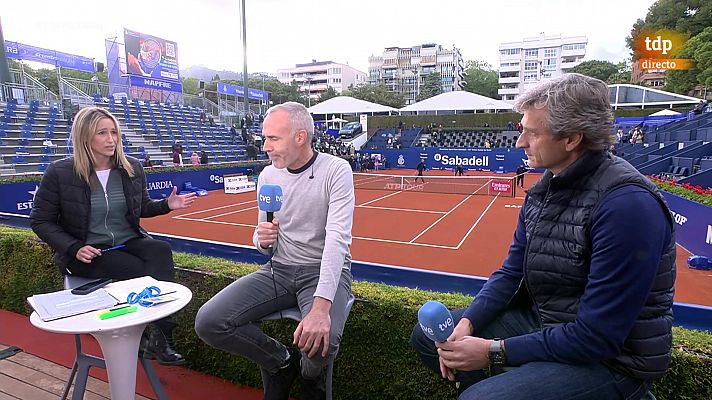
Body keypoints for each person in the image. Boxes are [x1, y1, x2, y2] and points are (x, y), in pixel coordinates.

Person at [410, 73, 676, 400]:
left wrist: (494, 351)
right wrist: (468, 323)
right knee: (430, 339)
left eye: (532, 133)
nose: (520, 142)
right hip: (547, 323)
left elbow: (598, 337)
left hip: (612, 360)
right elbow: (511, 273)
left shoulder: (627, 207)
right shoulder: (543, 190)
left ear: (571, 139)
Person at [194, 102, 355, 400]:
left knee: (323, 341)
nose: (265, 146)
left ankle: (310, 375)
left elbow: (337, 240)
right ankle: (281, 362)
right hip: (278, 270)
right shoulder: (268, 176)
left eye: (273, 139)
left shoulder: (336, 170)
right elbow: (262, 238)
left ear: (300, 137)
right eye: (265, 138)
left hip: (321, 271)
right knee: (209, 322)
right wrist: (261, 238)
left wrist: (320, 310)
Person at [30, 106, 198, 366]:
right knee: (137, 268)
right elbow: (40, 221)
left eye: (114, 133)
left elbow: (141, 208)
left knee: (160, 250)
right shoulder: (60, 172)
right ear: (84, 137)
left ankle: (160, 336)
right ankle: (154, 337)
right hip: (85, 253)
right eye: (102, 133)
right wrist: (73, 247)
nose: (111, 139)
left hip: (126, 241)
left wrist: (166, 205)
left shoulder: (131, 167)